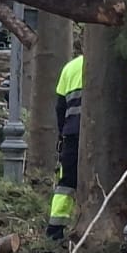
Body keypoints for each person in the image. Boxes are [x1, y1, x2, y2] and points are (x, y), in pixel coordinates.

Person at [48, 52, 84, 241]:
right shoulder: (114, 64)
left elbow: (60, 107)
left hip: (72, 133)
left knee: (67, 183)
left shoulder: (70, 67)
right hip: (105, 133)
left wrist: (62, 134)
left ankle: (54, 230)